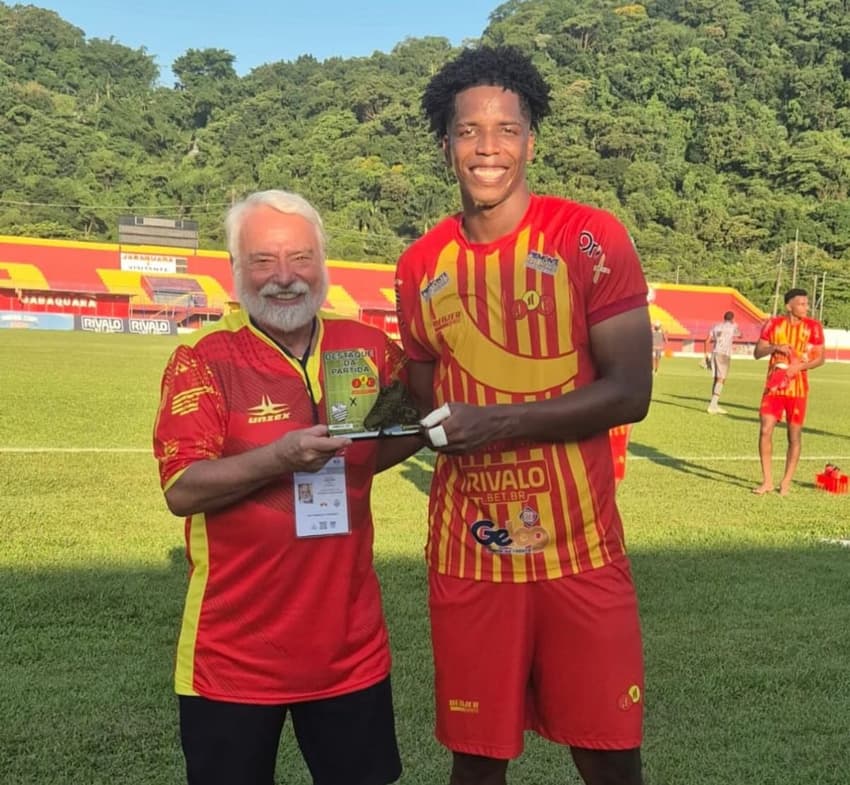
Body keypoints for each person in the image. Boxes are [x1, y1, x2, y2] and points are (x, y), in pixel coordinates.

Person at [394, 45, 652, 785]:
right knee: (475, 762)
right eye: (468, 130)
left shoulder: (588, 236)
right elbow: (421, 387)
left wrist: (497, 423)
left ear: (531, 140)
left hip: (579, 548)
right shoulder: (420, 265)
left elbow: (630, 389)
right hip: (470, 553)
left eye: (505, 129)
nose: (487, 148)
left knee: (610, 757)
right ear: (446, 144)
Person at [153, 190, 420, 785]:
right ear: (236, 270)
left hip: (351, 653)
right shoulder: (203, 360)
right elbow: (182, 489)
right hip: (233, 660)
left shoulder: (368, 347)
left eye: (300, 258)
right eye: (263, 261)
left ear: (324, 264)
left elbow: (413, 425)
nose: (284, 278)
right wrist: (278, 458)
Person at [752, 288, 825, 496]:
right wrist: (775, 347)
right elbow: (757, 352)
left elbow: (820, 358)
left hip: (798, 390)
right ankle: (767, 481)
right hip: (773, 387)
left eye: (806, 303)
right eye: (801, 303)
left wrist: (797, 368)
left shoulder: (813, 327)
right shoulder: (773, 324)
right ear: (789, 306)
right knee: (765, 429)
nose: (806, 307)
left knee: (794, 436)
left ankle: (786, 481)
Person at [704, 310, 742, 414]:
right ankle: (712, 405)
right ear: (732, 318)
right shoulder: (733, 326)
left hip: (715, 353)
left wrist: (705, 355)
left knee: (716, 378)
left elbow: (706, 340)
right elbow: (741, 335)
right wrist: (736, 325)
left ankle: (714, 404)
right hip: (724, 354)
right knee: (721, 379)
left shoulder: (716, 326)